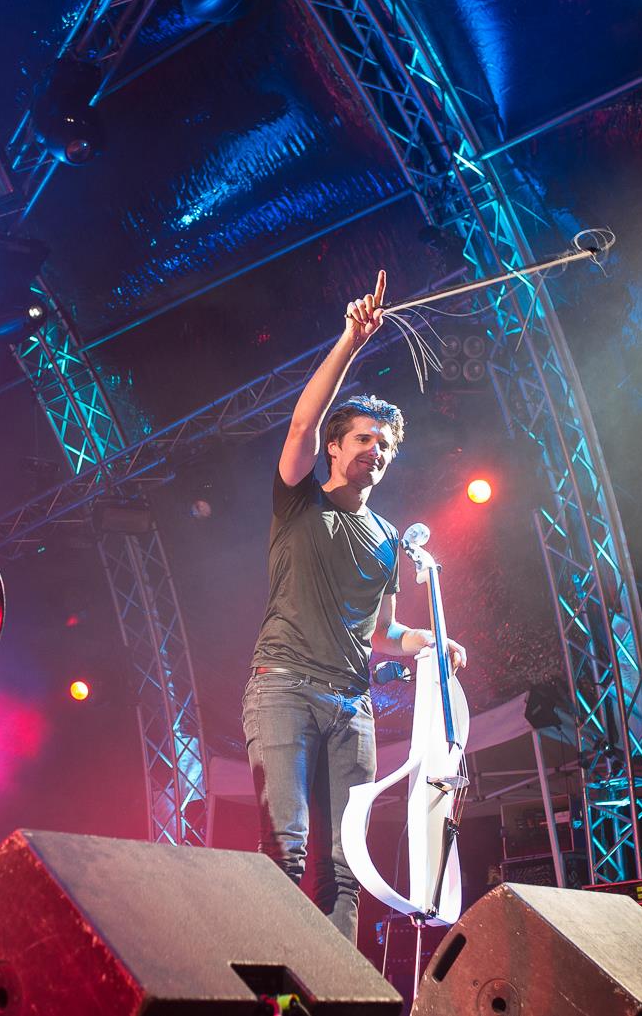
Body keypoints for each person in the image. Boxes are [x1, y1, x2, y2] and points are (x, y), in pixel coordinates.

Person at [241, 269, 466, 943]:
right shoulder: (299, 499)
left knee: (346, 867)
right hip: (282, 689)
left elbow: (384, 631)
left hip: (352, 708)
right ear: (336, 448)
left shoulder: (390, 539)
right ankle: (273, 992)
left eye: (386, 443)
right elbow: (303, 419)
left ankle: (332, 995)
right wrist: (351, 338)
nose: (377, 449)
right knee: (286, 851)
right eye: (365, 437)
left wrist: (432, 641)